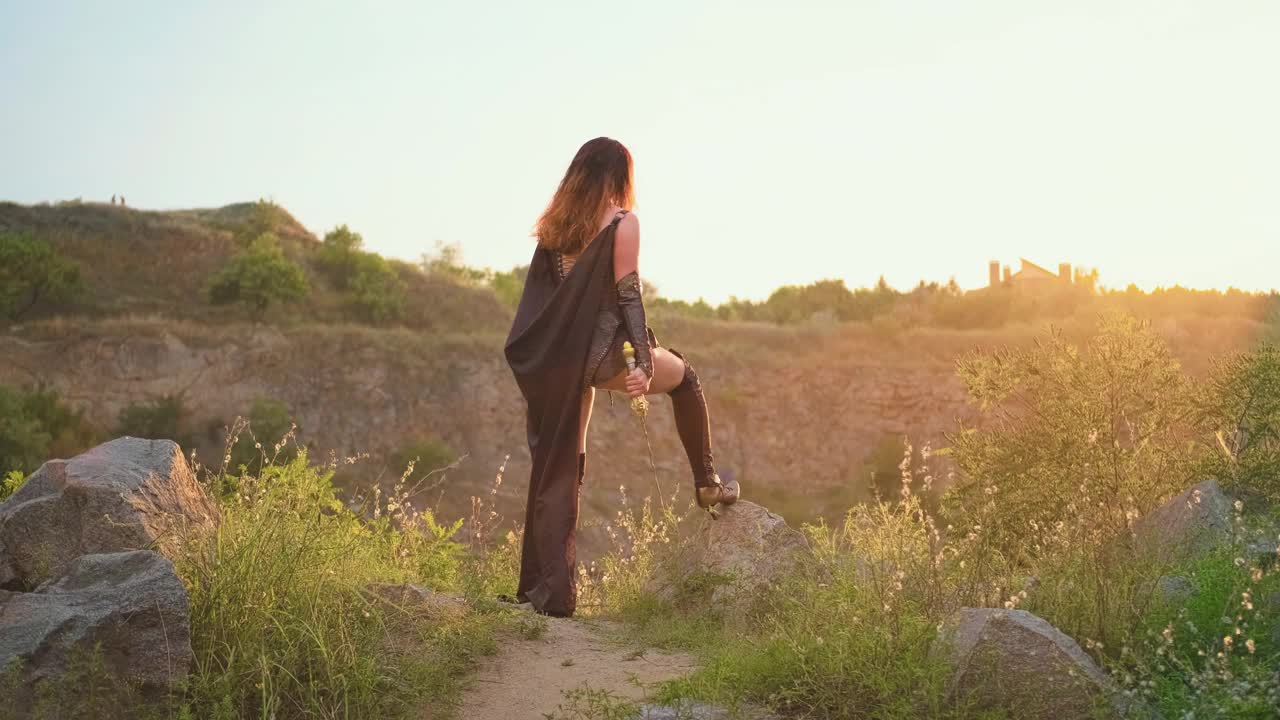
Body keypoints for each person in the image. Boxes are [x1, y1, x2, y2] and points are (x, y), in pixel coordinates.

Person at [503, 136, 740, 617]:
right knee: (686, 377)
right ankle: (708, 483)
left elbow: (546, 303)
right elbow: (628, 296)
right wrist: (645, 363)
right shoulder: (621, 223)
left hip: (558, 360)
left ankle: (546, 591)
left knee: (561, 466)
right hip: (601, 356)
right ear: (619, 177)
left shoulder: (554, 230)